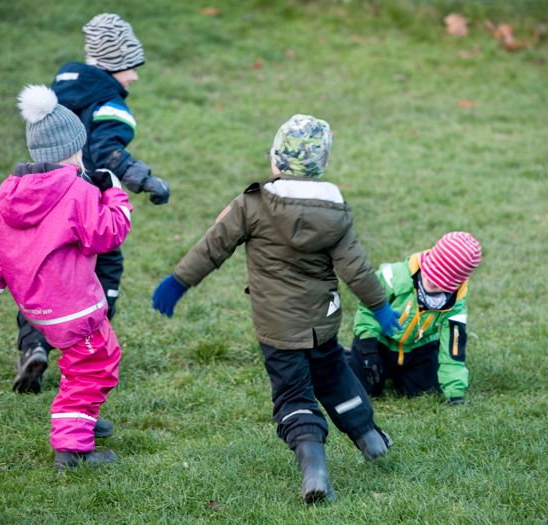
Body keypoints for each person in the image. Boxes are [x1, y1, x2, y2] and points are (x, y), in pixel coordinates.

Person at [151, 115, 400, 503]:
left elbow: (212, 246)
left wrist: (179, 281)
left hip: (277, 328)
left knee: (293, 394)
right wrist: (381, 308)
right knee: (334, 376)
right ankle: (369, 437)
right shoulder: (334, 213)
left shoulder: (252, 204)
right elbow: (357, 269)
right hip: (322, 323)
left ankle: (314, 468)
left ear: (275, 161)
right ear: (321, 165)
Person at [0, 85, 133, 471]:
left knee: (94, 360)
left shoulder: (11, 193)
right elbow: (109, 233)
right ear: (73, 150)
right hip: (75, 306)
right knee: (94, 366)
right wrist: (115, 195)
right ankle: (72, 450)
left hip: (38, 310)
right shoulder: (77, 190)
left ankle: (81, 418)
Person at [12, 13, 170, 394]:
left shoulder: (63, 90)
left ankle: (34, 346)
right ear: (116, 63)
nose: (134, 76)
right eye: (132, 66)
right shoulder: (110, 103)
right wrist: (145, 180)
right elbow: (106, 152)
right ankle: (85, 352)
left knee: (46, 273)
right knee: (105, 270)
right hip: (89, 204)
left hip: (47, 198)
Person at [347, 232, 482, 404]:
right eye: (431, 275)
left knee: (427, 389)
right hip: (380, 344)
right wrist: (367, 347)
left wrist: (455, 392)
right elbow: (368, 308)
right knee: (367, 389)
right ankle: (347, 358)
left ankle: (404, 373)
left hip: (418, 349)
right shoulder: (393, 277)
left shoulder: (455, 305)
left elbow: (453, 349)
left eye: (440, 282)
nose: (432, 283)